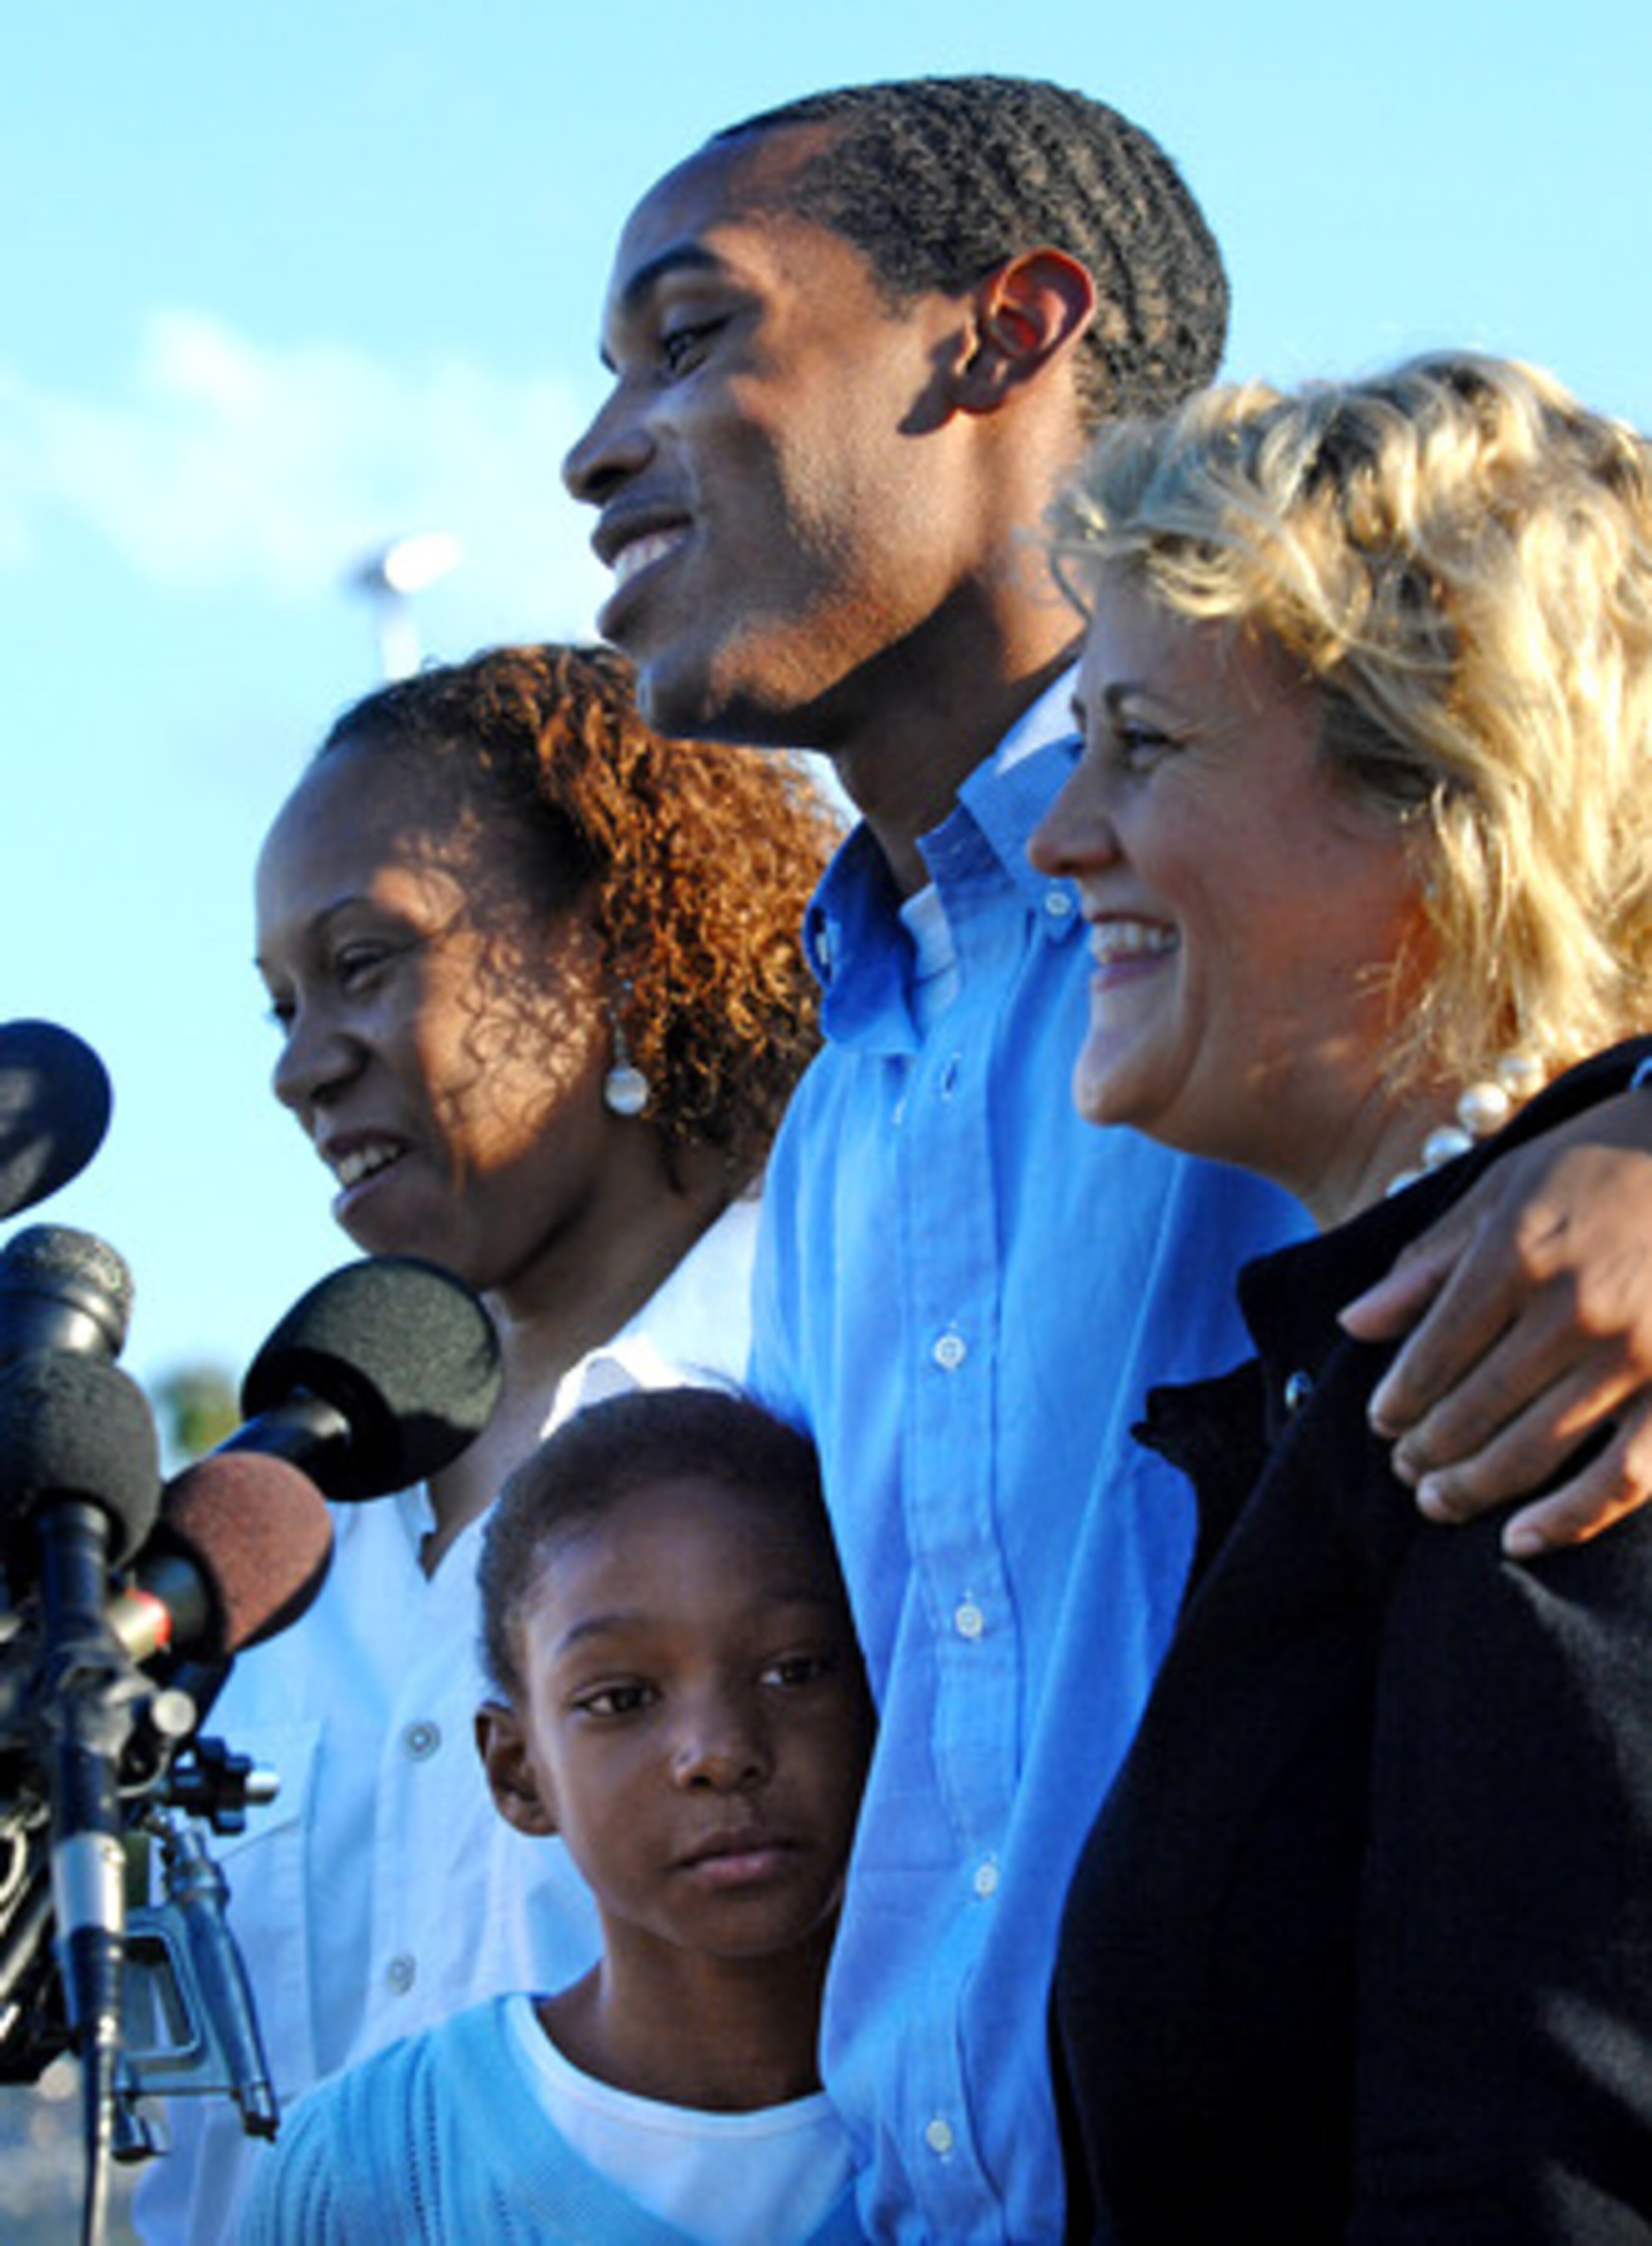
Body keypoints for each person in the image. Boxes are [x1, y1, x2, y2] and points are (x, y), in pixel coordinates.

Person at [563, 75, 1652, 2240]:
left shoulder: (1283, 873)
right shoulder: (846, 1090)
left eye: (691, 337)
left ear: (1004, 333)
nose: (596, 450)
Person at [1032, 351, 1652, 2237]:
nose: (1063, 838)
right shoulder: (1392, 1364)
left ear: (1447, 788)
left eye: (1143, 744)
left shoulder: (1556, 1397)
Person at [136, 644, 842, 2243]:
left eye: (366, 962)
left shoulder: (822, 1387)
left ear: (612, 942)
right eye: (281, 1005)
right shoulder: (287, 1503)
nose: (298, 1065)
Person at [239, 1384, 876, 2244]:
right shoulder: (369, 2167)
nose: (719, 1751)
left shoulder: (1006, 2120)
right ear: (517, 1771)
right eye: (623, 1697)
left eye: (794, 1670)